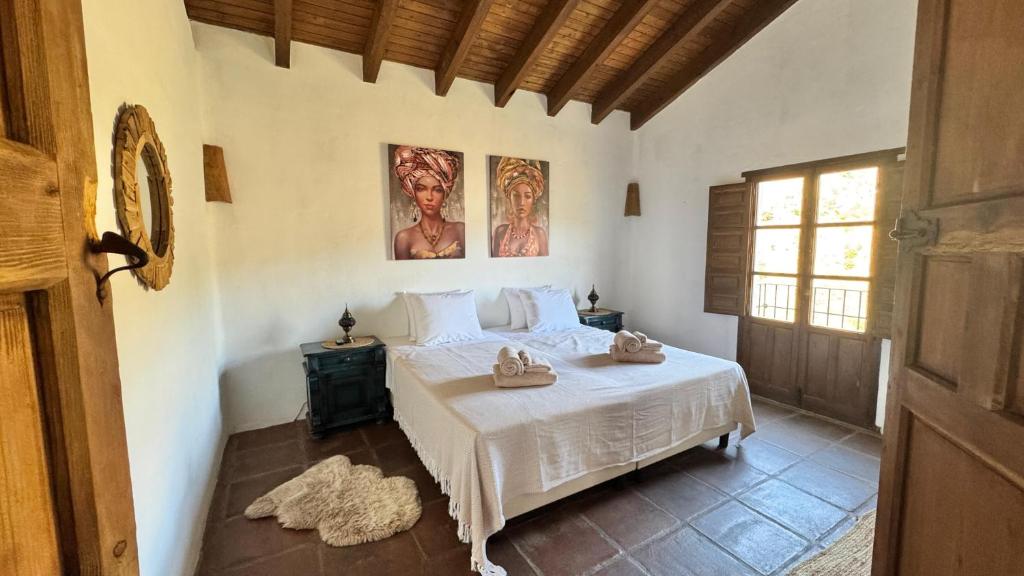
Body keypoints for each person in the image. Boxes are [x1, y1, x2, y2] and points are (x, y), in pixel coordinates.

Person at [392, 146, 465, 259]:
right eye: (421, 189)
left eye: (437, 190)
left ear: (445, 194)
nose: (429, 197)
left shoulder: (460, 230)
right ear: (413, 193)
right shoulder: (403, 238)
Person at [492, 157, 548, 257]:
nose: (521, 202)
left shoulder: (540, 234)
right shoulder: (500, 232)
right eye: (516, 196)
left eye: (527, 196)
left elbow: (546, 264)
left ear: (533, 200)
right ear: (509, 198)